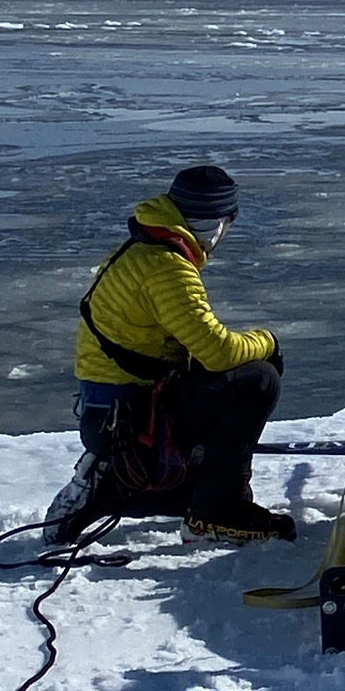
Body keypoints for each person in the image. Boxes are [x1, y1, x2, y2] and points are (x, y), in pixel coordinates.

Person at [54, 162, 295, 544]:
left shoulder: (139, 250)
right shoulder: (168, 269)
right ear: (216, 224)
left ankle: (110, 484)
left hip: (112, 411)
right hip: (130, 419)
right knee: (258, 379)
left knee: (197, 479)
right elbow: (218, 352)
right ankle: (216, 514)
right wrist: (269, 342)